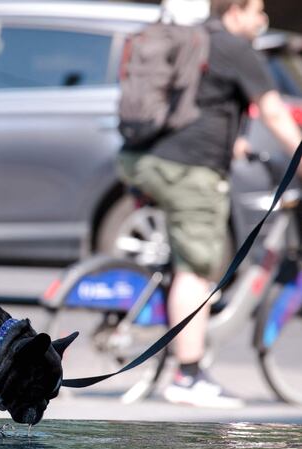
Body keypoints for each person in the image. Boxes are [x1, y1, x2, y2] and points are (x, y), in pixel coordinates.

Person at [118, 0, 302, 408]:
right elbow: (273, 110)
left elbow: (201, 104)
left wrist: (233, 143)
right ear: (234, 11)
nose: (263, 19)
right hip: (188, 171)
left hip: (143, 159)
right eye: (257, 11)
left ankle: (179, 338)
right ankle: (188, 375)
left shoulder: (198, 39)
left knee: (189, 258)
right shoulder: (235, 47)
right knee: (197, 270)